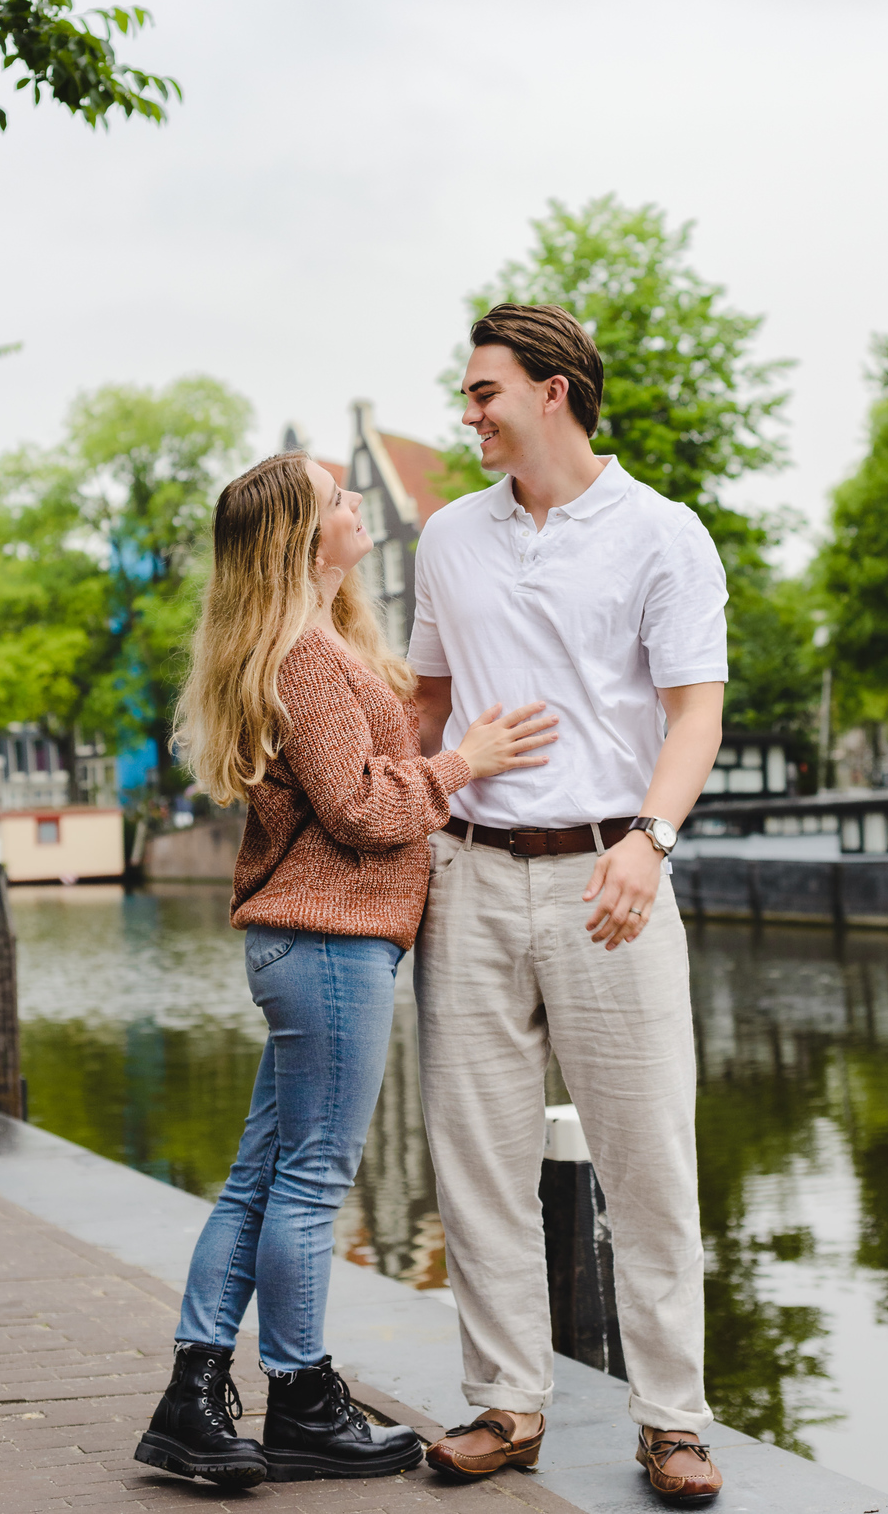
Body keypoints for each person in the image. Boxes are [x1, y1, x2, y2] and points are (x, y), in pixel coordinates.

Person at [133, 450, 557, 1489]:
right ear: (301, 536)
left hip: (305, 943)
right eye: (337, 498)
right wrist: (469, 762)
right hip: (331, 942)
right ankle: (302, 1395)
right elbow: (362, 808)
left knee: (259, 1177)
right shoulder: (309, 657)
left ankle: (194, 1395)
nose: (356, 502)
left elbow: (360, 777)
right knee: (314, 1180)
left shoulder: (305, 645)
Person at [410, 304, 728, 1505]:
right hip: (474, 874)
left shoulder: (663, 534)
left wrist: (653, 837)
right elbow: (427, 706)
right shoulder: (447, 537)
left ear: (553, 392)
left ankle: (672, 1420)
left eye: (483, 390)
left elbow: (694, 710)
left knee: (647, 1157)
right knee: (475, 1153)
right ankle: (508, 1401)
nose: (468, 411)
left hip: (614, 873)